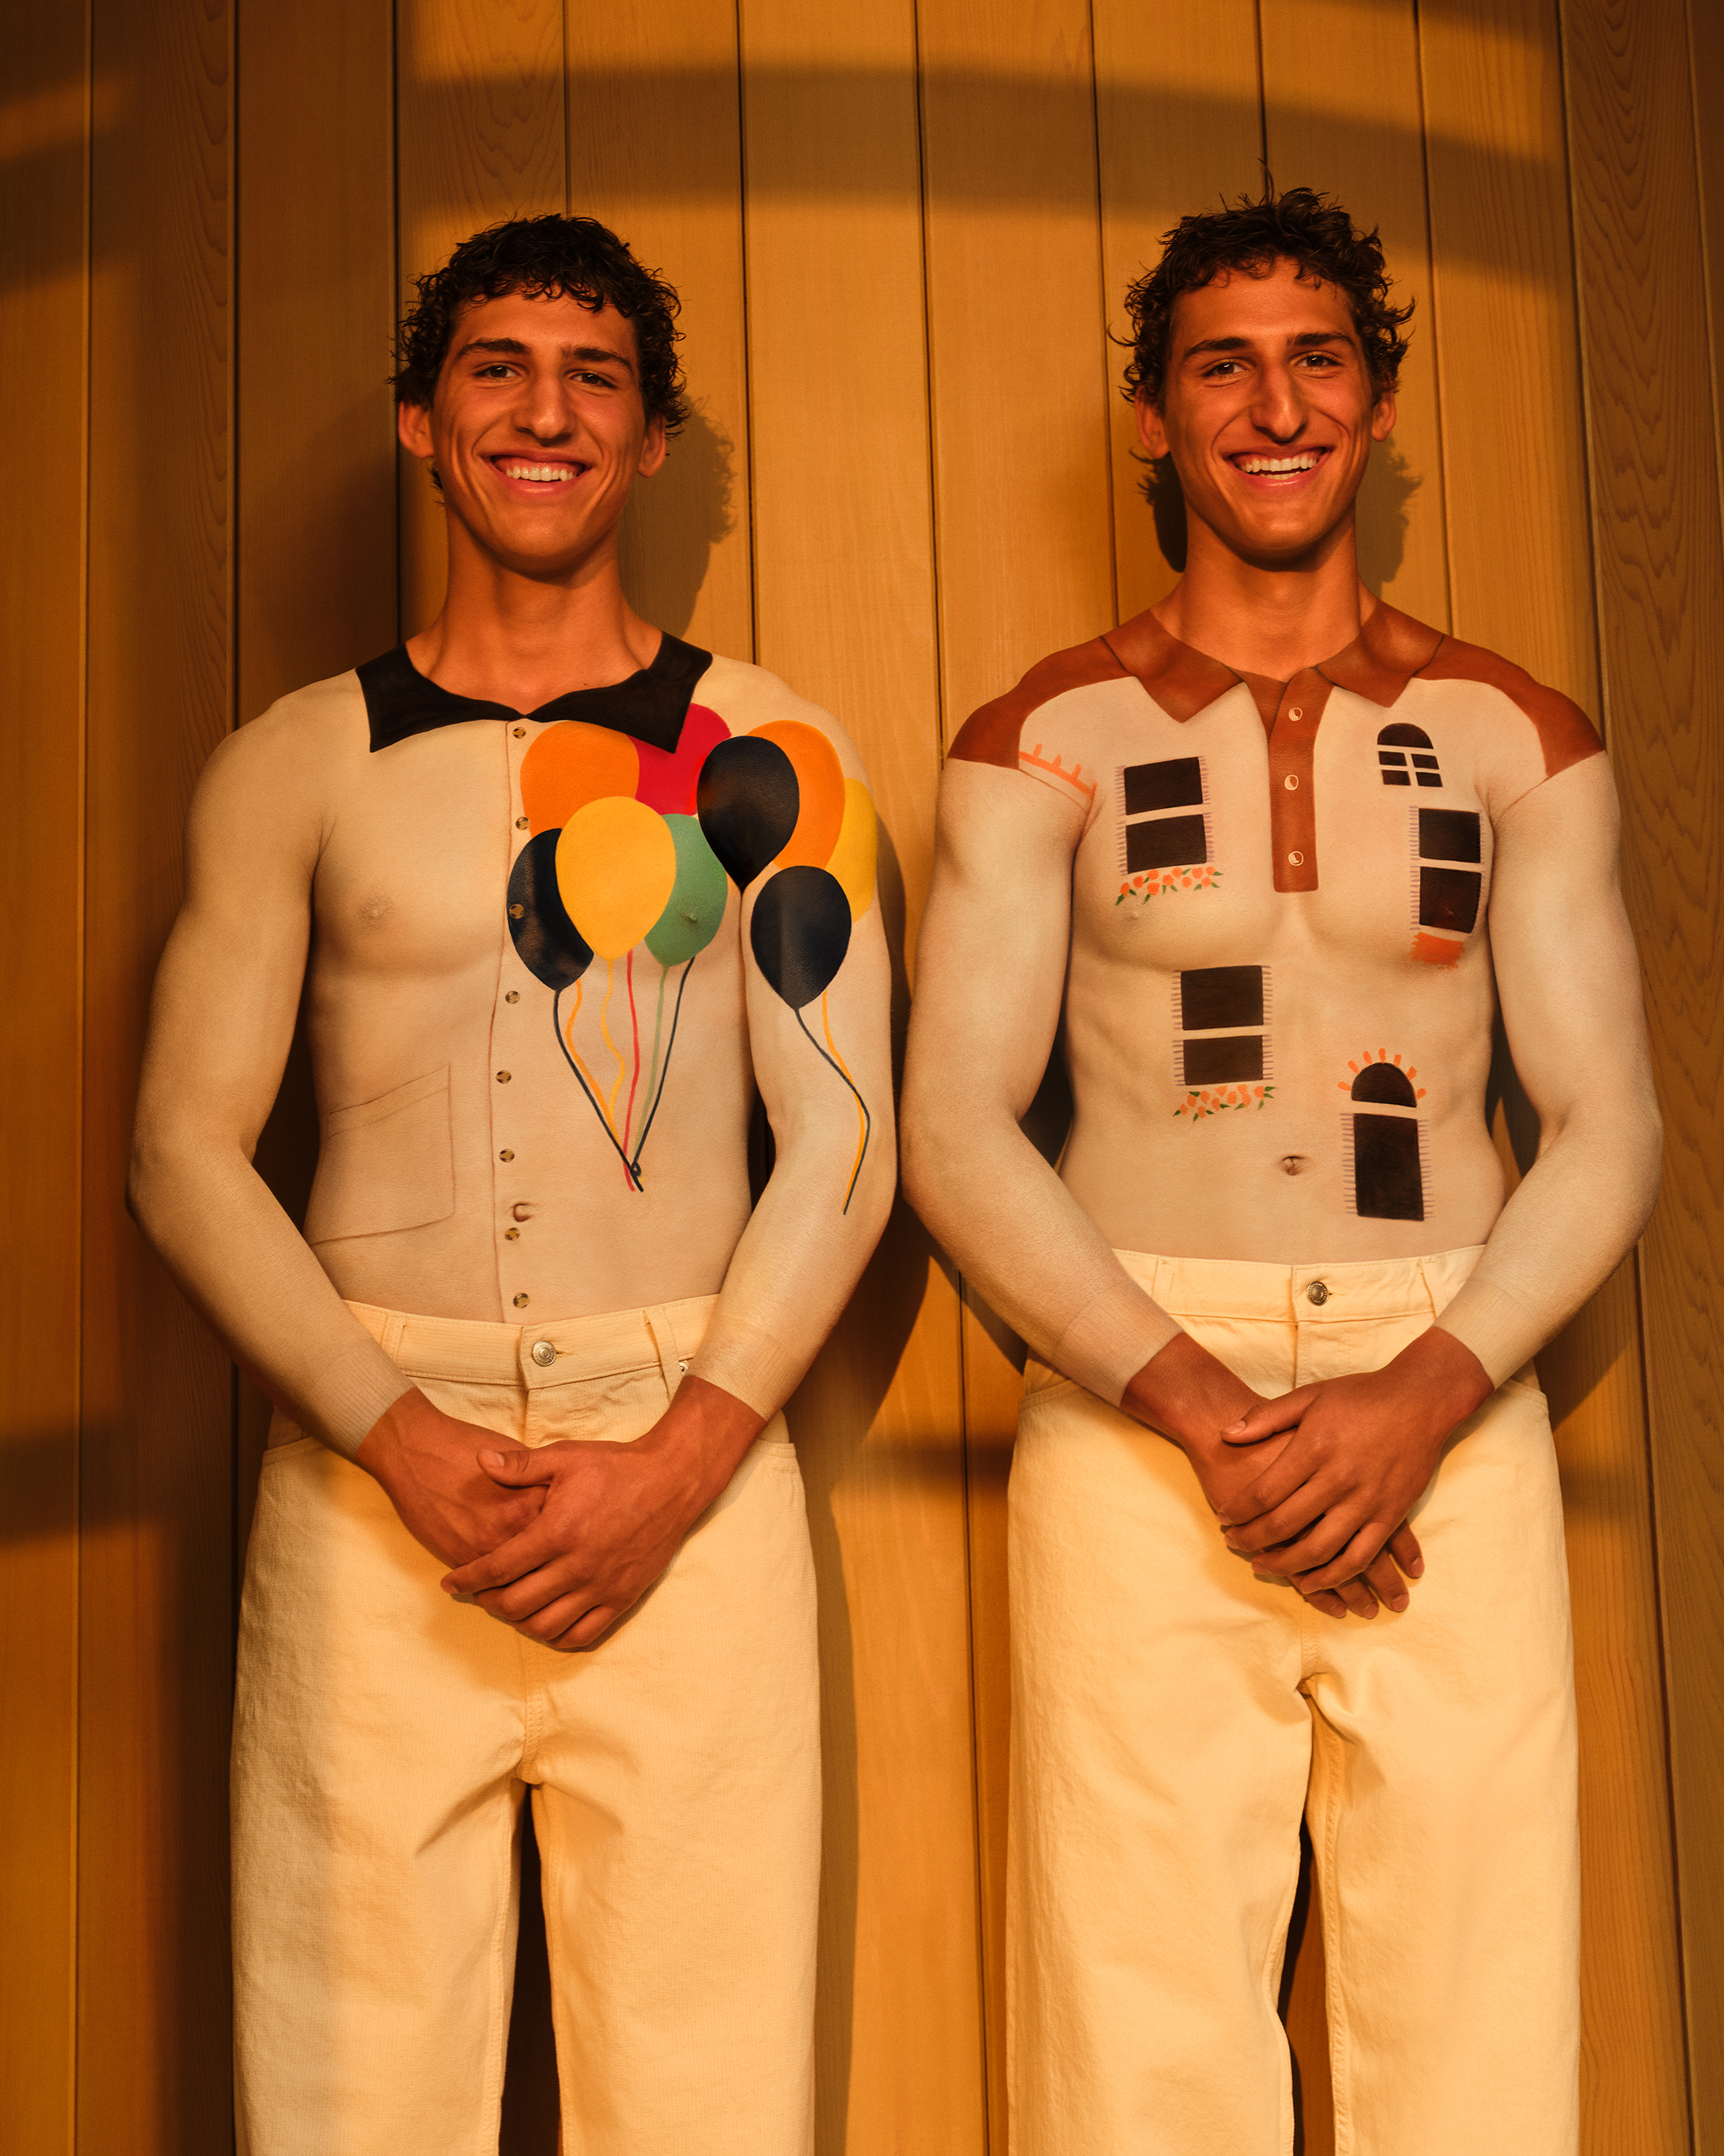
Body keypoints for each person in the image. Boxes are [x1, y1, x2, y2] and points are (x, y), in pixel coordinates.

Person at [901, 186, 1659, 2156]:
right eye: (1219, 362)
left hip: (1449, 1372)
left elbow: (1611, 1119)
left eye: (1317, 355)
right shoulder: (1034, 739)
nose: (1274, 401)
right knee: (1131, 2024)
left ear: (1380, 400)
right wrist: (1197, 1402)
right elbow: (955, 1120)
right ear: (1154, 415)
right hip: (1143, 1392)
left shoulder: (1519, 736)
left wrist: (1428, 1389)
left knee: (1478, 2010)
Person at [129, 213, 892, 2156]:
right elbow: (183, 1148)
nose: (543, 413)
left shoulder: (771, 749)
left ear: (649, 443)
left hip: (691, 1454)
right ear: (420, 418)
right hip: (370, 1471)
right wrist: (394, 1432)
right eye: (496, 367)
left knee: (711, 2095)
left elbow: (845, 1135)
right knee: (345, 2090)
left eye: (597, 378)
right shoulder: (291, 764)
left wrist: (690, 1448)